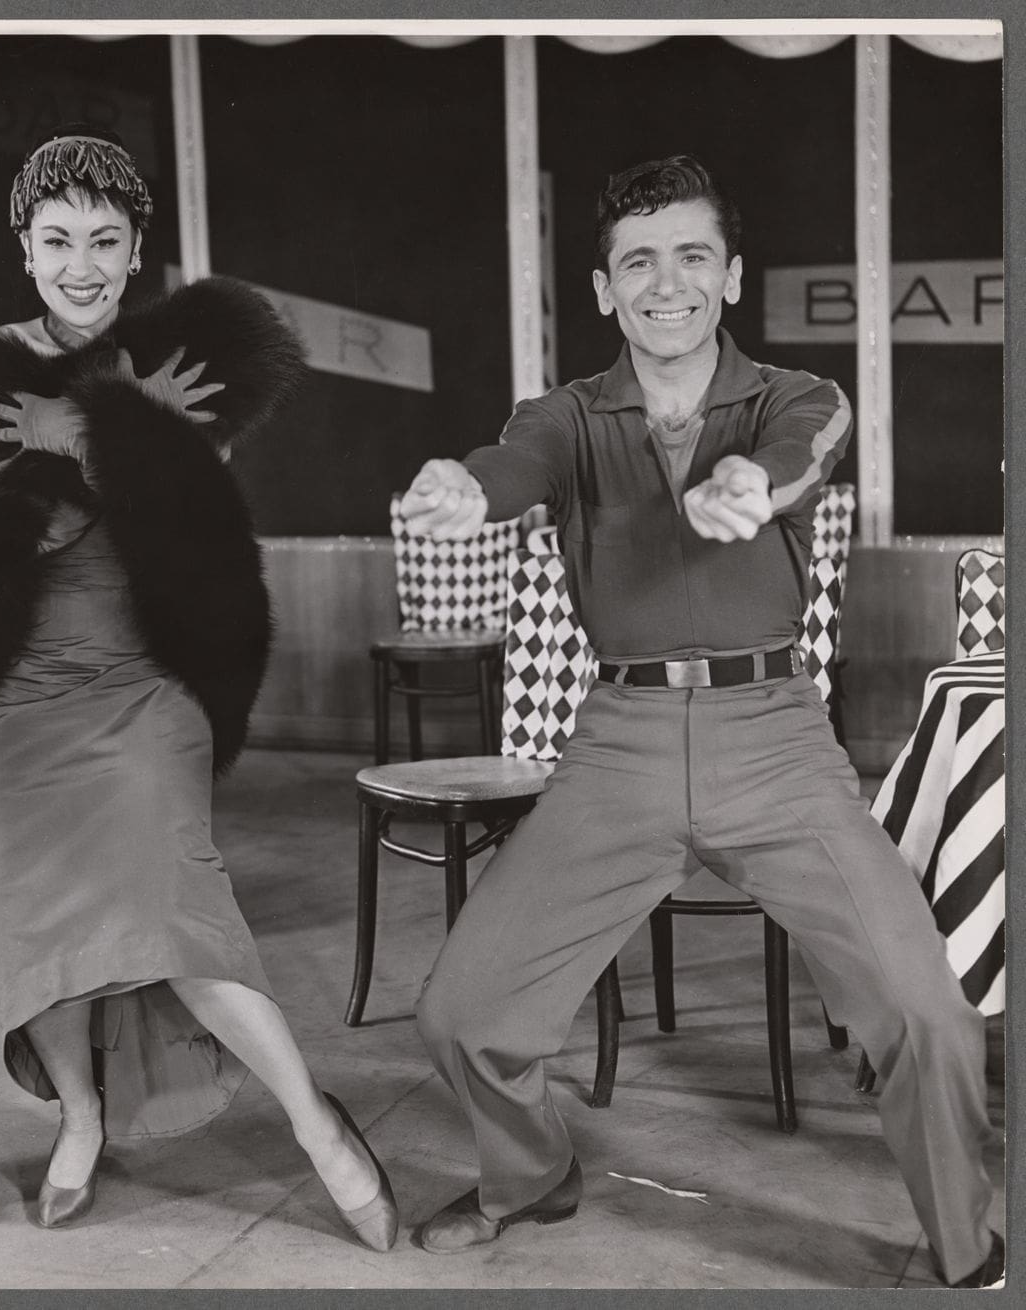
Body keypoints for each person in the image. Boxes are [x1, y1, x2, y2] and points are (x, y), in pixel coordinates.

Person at [401, 156, 1002, 1287]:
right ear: (600, 287)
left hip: (774, 738)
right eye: (637, 261)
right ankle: (529, 1177)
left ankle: (967, 1247)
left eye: (688, 258)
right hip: (617, 742)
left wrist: (753, 485)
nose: (662, 283)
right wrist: (467, 492)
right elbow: (514, 462)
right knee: (461, 1010)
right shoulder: (564, 416)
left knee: (927, 1017)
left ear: (729, 276)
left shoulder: (790, 395)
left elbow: (805, 450)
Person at [0, 126, 397, 1249]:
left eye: (105, 238)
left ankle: (315, 1122)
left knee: (171, 903)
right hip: (13, 688)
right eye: (58, 239)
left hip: (149, 679)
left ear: (138, 244)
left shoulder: (192, 352)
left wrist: (80, 423)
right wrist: (83, 431)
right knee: (29, 922)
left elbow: (182, 509)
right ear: (25, 249)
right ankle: (82, 1114)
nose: (82, 262)